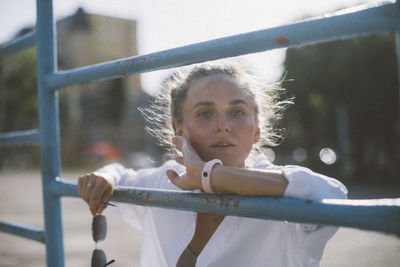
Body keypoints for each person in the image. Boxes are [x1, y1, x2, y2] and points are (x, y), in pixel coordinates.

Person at [78, 60, 347, 267]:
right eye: (205, 113)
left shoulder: (280, 186)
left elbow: (332, 196)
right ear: (179, 130)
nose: (222, 125)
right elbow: (119, 174)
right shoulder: (165, 182)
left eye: (237, 112)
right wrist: (106, 176)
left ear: (256, 130)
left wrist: (210, 177)